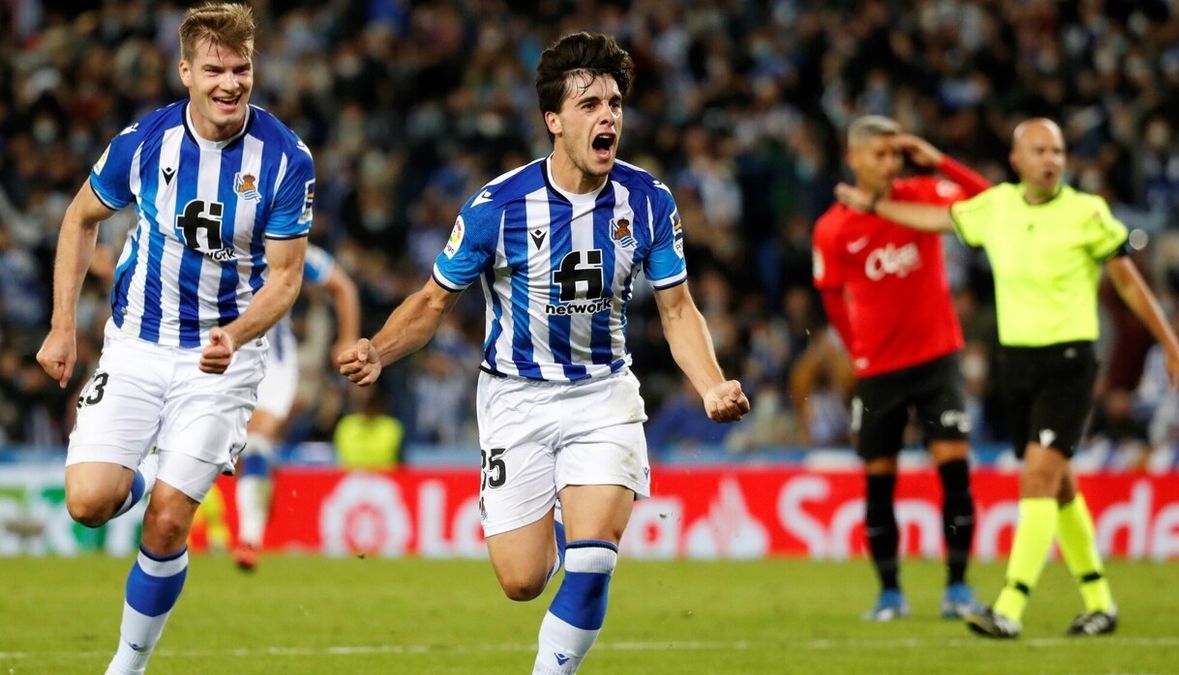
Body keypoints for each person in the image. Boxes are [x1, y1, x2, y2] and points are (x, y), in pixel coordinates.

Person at [339, 32, 750, 674]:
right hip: (514, 397)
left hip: (602, 394)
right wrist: (379, 351)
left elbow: (677, 309)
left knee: (593, 558)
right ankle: (556, 517)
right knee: (522, 580)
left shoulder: (649, 201)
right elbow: (431, 303)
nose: (608, 115)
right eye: (589, 105)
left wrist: (711, 384)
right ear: (553, 121)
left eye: (614, 103)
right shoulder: (497, 207)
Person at [835, 118, 1179, 638]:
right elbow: (934, 219)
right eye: (1040, 150)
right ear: (1017, 160)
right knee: (1059, 482)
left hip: (1070, 362)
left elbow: (1130, 284)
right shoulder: (998, 208)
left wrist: (1172, 345)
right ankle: (1099, 601)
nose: (1051, 159)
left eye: (1059, 150)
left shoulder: (1086, 213)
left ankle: (1009, 605)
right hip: (1018, 365)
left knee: (1037, 478)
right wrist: (873, 207)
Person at [35, 4, 312, 672]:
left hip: (224, 362)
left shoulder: (285, 159)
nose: (230, 83)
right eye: (214, 68)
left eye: (241, 68)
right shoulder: (145, 142)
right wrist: (62, 326)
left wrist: (236, 333)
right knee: (90, 501)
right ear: (184, 70)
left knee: (165, 521)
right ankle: (161, 472)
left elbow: (286, 279)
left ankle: (125, 666)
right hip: (135, 345)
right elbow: (80, 218)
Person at [814, 115, 991, 622]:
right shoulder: (833, 227)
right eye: (880, 154)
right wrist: (858, 351)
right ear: (855, 158)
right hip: (880, 370)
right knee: (879, 480)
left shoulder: (921, 194)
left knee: (955, 472)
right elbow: (831, 298)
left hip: (938, 358)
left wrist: (939, 159)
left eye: (896, 154)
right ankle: (889, 593)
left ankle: (957, 588)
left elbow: (989, 204)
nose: (891, 163)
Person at [232, 244, 360, 571]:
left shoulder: (287, 242)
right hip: (215, 360)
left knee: (256, 441)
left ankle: (249, 538)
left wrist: (347, 338)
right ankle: (256, 499)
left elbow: (342, 286)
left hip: (272, 364)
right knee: (235, 451)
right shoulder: (214, 232)